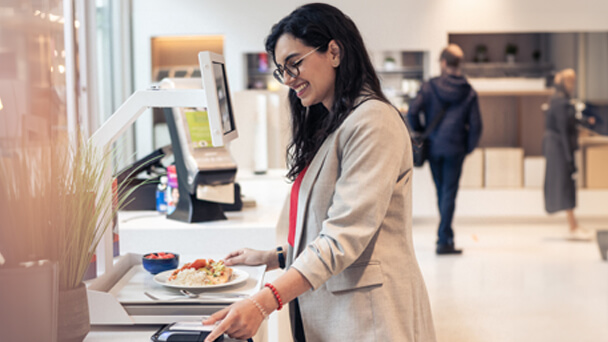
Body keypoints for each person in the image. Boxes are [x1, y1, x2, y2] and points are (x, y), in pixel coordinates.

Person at [202, 3, 436, 342]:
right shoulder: (333, 125)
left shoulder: (372, 121)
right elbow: (324, 224)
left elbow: (344, 236)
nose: (289, 78)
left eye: (295, 63)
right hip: (341, 313)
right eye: (282, 70)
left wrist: (264, 302)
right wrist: (273, 257)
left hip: (372, 317)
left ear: (334, 52)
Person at [406, 44, 482, 255]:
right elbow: (476, 125)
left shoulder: (430, 86)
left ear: (443, 63)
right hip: (455, 148)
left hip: (433, 148)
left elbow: (412, 112)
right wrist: (467, 147)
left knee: (442, 191)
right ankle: (444, 239)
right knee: (448, 193)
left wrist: (422, 133)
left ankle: (445, 237)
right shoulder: (468, 91)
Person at [543, 68, 594, 241]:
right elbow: (564, 130)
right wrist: (569, 157)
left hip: (560, 147)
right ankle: (573, 226)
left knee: (567, 186)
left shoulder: (562, 101)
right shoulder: (559, 103)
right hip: (559, 149)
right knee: (565, 185)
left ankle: (573, 224)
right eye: (571, 81)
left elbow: (569, 122)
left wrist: (583, 122)